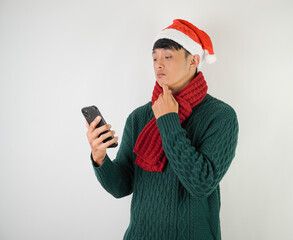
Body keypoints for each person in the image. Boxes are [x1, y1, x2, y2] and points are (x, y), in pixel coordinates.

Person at [85, 19, 239, 240]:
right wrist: (100, 158)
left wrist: (168, 120)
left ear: (193, 60)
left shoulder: (221, 116)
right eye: (155, 57)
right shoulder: (139, 117)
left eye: (168, 56)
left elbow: (201, 183)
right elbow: (122, 186)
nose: (158, 64)